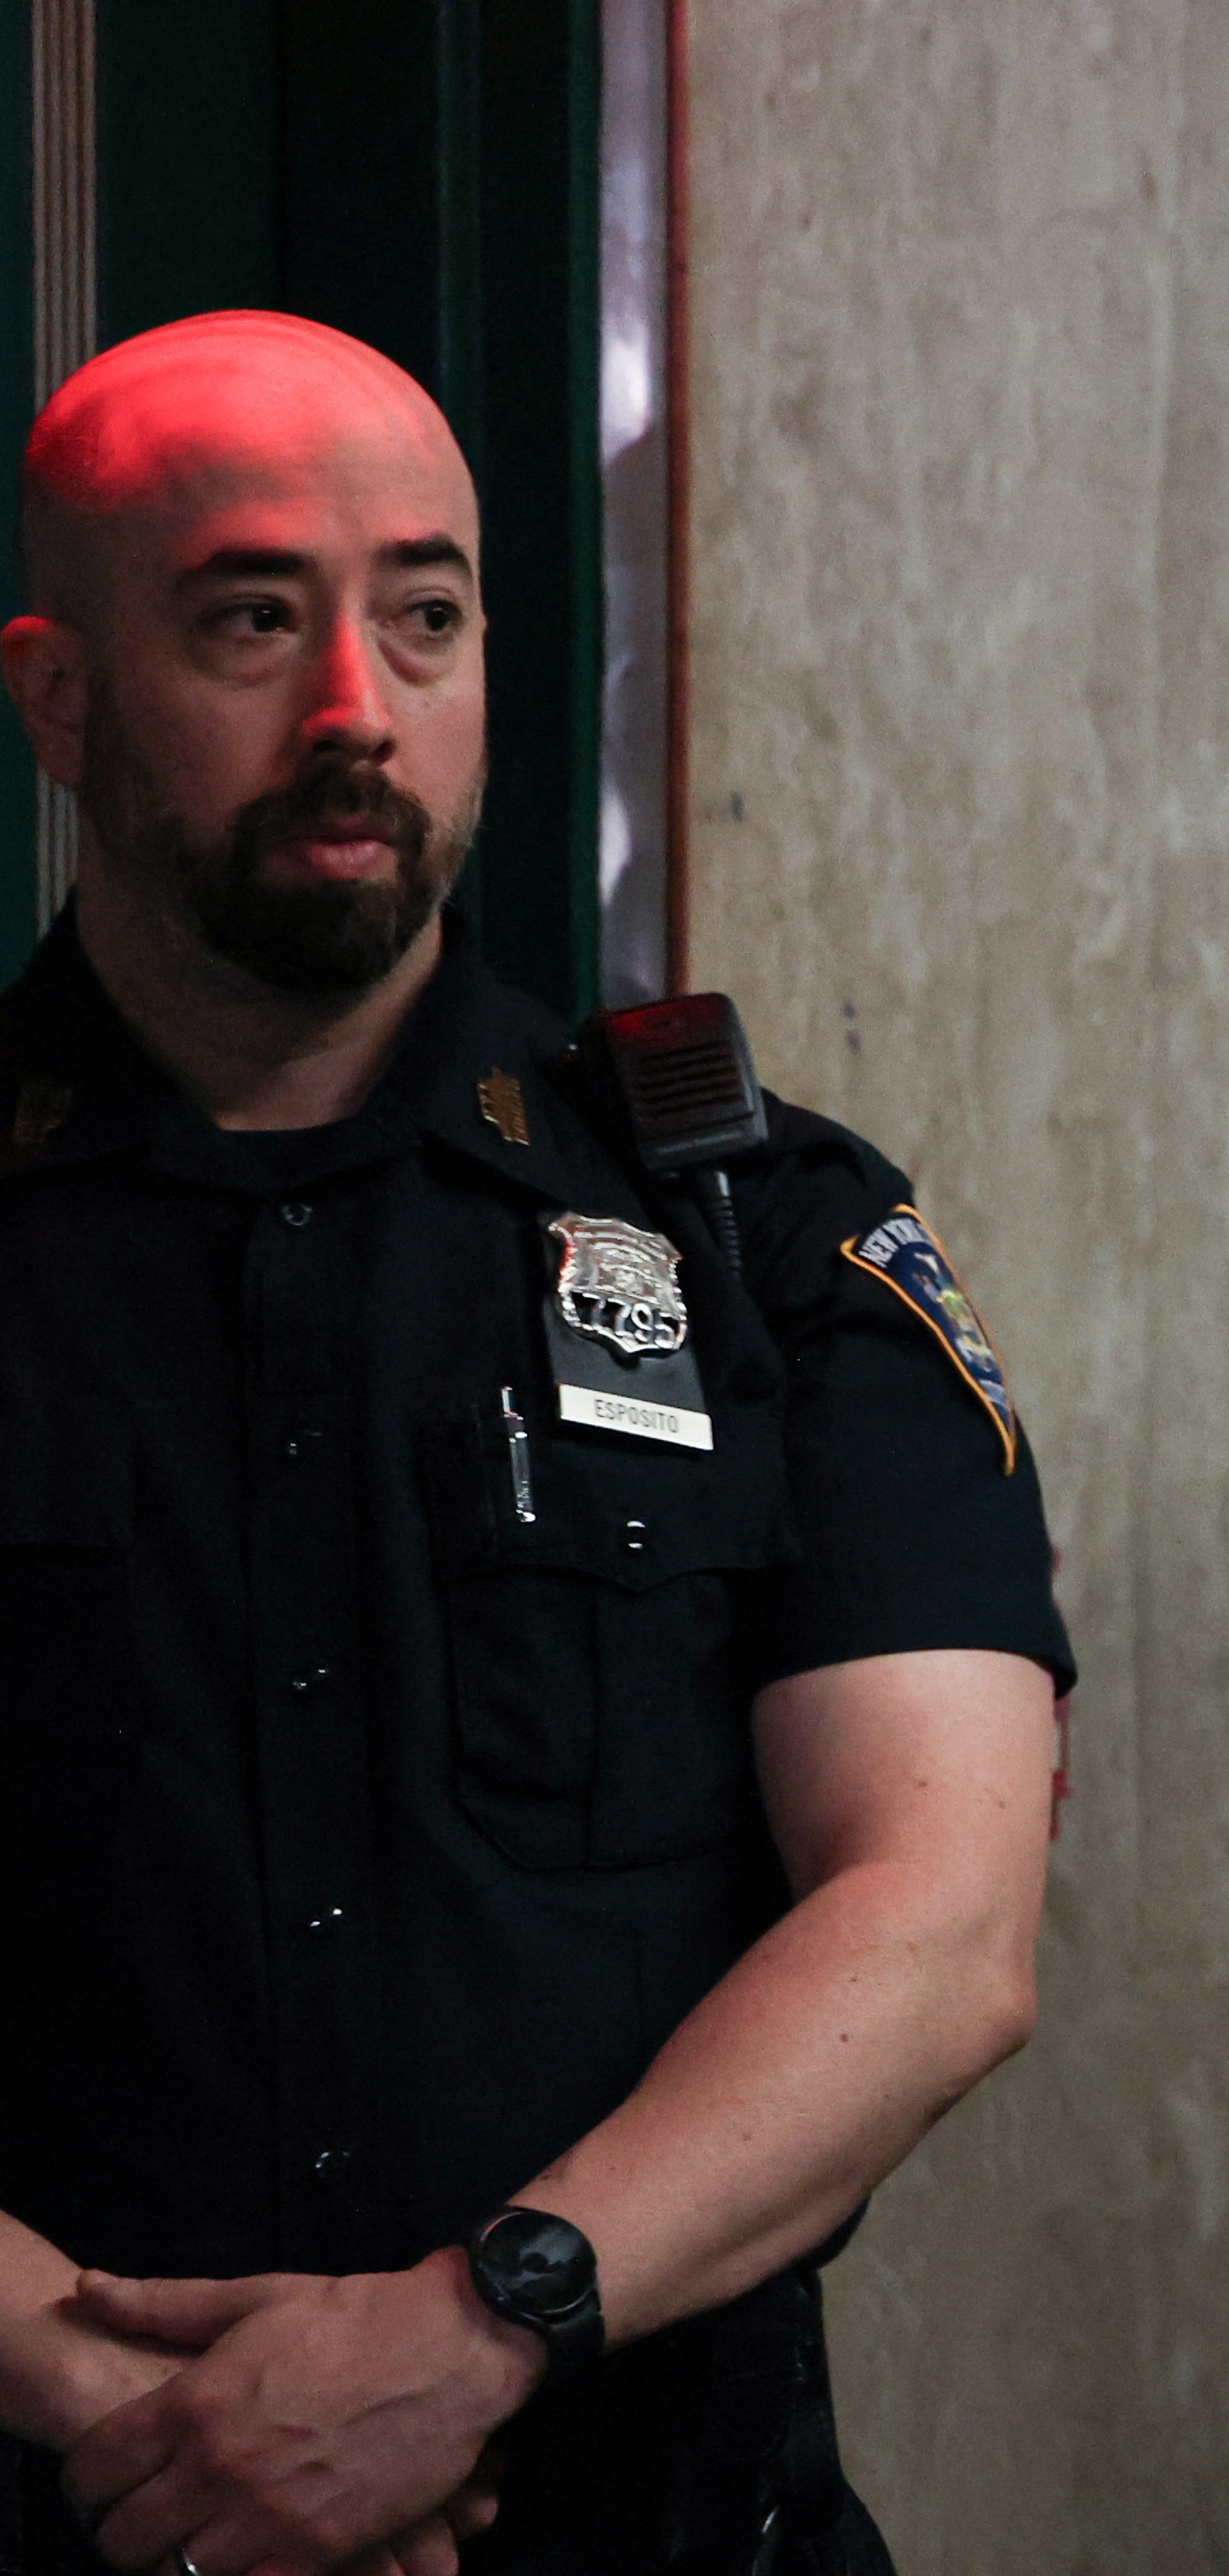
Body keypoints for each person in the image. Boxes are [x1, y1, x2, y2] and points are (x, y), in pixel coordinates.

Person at [0, 312, 1071, 2574]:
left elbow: (943, 1916)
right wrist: (103, 2397)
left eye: (427, 613)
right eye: (252, 616)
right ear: (59, 694)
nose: (352, 713)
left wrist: (470, 2333)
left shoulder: (759, 1229)